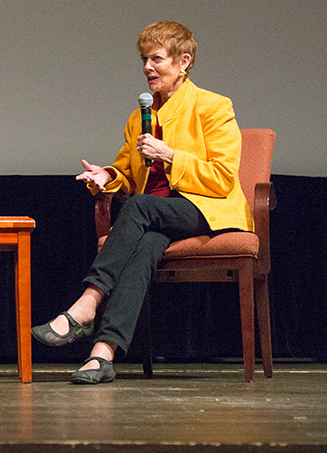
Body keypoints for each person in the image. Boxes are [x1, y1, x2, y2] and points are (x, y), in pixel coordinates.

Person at [32, 21, 253, 384]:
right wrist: (105, 177)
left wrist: (169, 155)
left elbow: (223, 177)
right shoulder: (140, 117)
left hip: (203, 209)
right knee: (145, 245)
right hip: (156, 218)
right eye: (144, 60)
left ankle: (86, 304)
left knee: (138, 207)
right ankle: (102, 354)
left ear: (183, 62)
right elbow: (128, 173)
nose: (148, 67)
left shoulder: (213, 106)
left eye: (157, 59)